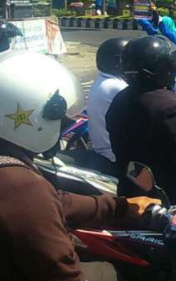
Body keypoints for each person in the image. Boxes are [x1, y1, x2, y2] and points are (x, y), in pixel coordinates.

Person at [0, 51, 159, 281]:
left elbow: (57, 202)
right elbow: (64, 274)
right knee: (125, 270)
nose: (64, 125)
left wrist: (121, 207)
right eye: (60, 119)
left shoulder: (13, 172)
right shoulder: (22, 187)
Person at [106, 36, 176, 206]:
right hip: (170, 197)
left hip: (131, 189)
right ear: (162, 68)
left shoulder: (120, 99)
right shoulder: (168, 106)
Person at [87, 38, 129, 175]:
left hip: (102, 151)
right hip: (115, 156)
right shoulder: (118, 87)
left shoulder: (102, 80)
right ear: (117, 62)